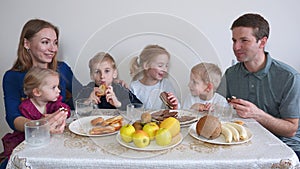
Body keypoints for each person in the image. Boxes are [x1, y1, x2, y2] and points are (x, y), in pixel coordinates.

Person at [1, 19, 82, 167]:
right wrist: (39, 126)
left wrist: (111, 85)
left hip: (60, 137)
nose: (53, 49)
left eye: (55, 42)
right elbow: (13, 118)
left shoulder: (62, 69)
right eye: (45, 42)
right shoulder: (12, 76)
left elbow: (80, 97)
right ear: (27, 44)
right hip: (29, 141)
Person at [217, 13, 300, 159]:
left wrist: (257, 114)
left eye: (244, 40)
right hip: (245, 143)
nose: (236, 47)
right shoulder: (231, 74)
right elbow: (219, 108)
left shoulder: (289, 77)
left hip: (285, 147)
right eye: (234, 40)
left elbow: (291, 130)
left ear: (262, 42)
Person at [129, 44, 179, 110]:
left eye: (166, 66)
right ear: (146, 65)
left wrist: (175, 104)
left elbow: (176, 108)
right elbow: (130, 109)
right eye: (160, 66)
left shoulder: (166, 84)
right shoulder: (134, 86)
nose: (164, 69)